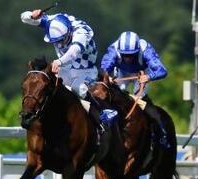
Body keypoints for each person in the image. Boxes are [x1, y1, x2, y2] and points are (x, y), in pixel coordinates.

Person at [21, 9, 115, 144]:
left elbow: (74, 52)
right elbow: (23, 18)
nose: (60, 45)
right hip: (65, 67)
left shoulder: (81, 32)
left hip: (85, 69)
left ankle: (102, 115)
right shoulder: (51, 22)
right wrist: (31, 15)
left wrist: (59, 61)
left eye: (62, 41)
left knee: (79, 90)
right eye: (56, 42)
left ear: (69, 32)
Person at [100, 31, 170, 148]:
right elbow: (104, 68)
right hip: (122, 72)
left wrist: (148, 77)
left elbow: (162, 70)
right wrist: (108, 77)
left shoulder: (146, 50)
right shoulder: (114, 49)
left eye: (131, 55)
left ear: (138, 50)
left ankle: (161, 131)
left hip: (142, 73)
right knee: (115, 94)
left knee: (140, 99)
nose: (127, 58)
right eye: (124, 55)